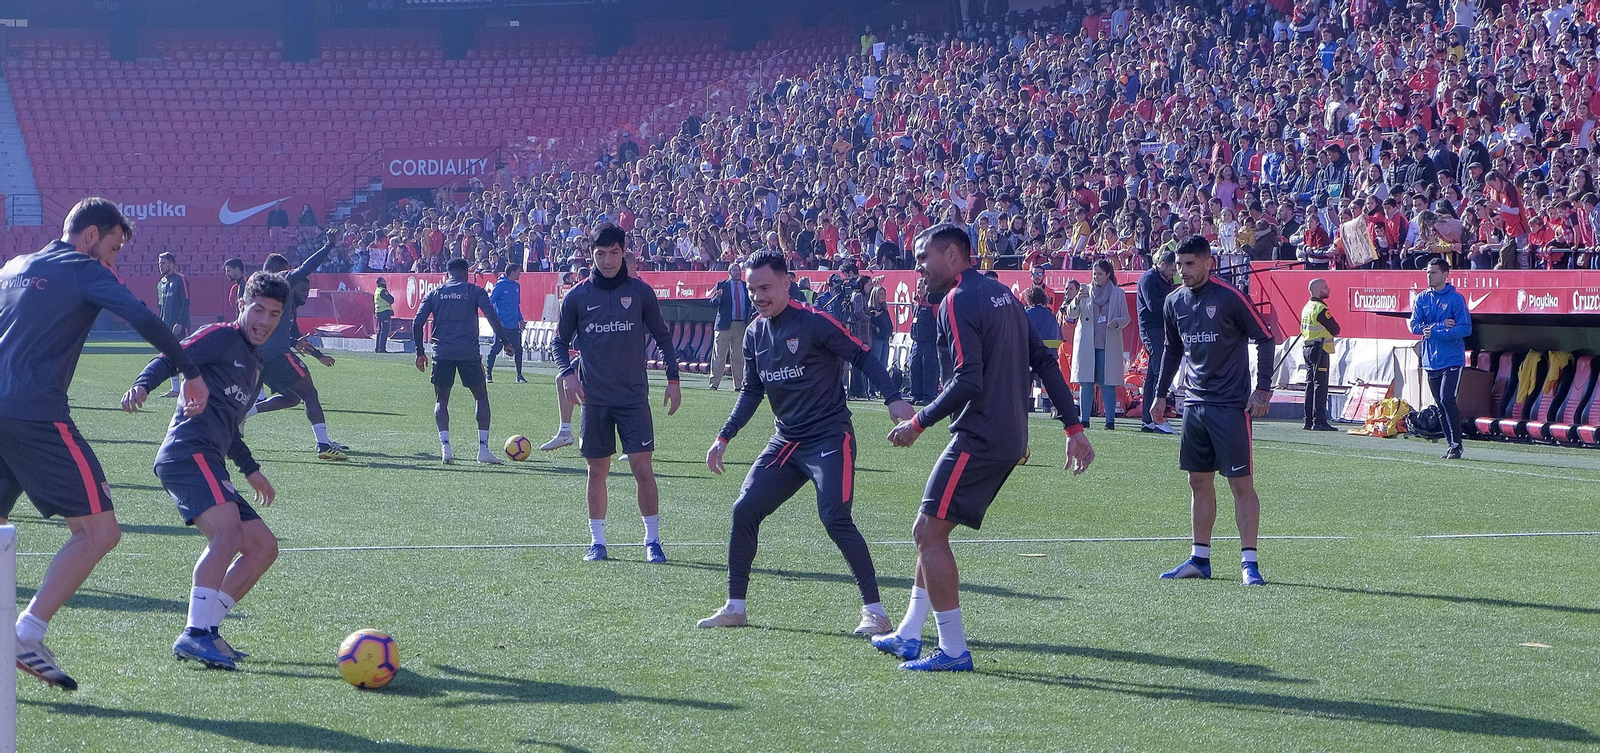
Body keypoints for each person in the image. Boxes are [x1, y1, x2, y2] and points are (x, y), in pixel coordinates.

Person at [0, 197, 209, 690]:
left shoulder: (13, 266)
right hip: (34, 415)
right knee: (100, 531)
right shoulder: (80, 266)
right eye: (113, 247)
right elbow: (142, 317)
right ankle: (26, 633)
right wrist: (190, 372)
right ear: (91, 235)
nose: (113, 260)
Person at [877, 224, 1094, 672]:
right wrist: (1073, 427)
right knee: (932, 531)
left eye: (923, 257)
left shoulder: (958, 298)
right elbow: (1044, 362)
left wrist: (918, 422)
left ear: (953, 254)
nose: (918, 267)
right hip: (1007, 435)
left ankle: (954, 650)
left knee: (927, 533)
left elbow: (968, 378)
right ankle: (909, 634)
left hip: (981, 435)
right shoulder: (1004, 295)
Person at [696, 251, 917, 633]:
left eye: (765, 287)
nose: (759, 296)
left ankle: (877, 614)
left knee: (834, 517)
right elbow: (752, 392)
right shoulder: (753, 333)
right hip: (787, 440)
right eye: (752, 290)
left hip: (829, 437)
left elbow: (864, 356)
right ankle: (735, 608)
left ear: (786, 282)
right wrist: (724, 436)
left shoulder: (815, 323)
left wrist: (893, 397)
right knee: (744, 508)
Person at [121, 271, 290, 671]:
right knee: (227, 533)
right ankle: (194, 634)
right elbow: (171, 355)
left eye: (274, 314)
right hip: (185, 453)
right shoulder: (220, 336)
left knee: (264, 547)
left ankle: (208, 630)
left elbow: (230, 428)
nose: (264, 321)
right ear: (242, 306)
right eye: (258, 310)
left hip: (210, 458)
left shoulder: (255, 365)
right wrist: (144, 386)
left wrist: (251, 470)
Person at [1150, 235, 1275, 587]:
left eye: (1190, 264)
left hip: (1230, 405)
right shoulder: (1173, 301)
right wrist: (1161, 395)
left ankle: (1249, 563)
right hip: (1194, 404)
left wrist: (1263, 388)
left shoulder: (1230, 297)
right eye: (1179, 264)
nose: (1183, 271)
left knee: (1240, 483)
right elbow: (1172, 350)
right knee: (1197, 480)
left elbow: (1265, 337)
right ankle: (1199, 558)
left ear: (1209, 263)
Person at [554, 225, 682, 563]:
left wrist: (673, 379)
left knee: (642, 467)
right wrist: (567, 374)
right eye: (600, 254)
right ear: (591, 254)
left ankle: (652, 540)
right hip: (595, 399)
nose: (608, 260)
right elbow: (558, 342)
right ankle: (597, 542)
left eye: (613, 253)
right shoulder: (578, 296)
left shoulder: (640, 292)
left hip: (633, 398)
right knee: (597, 471)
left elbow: (663, 337)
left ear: (624, 251)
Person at [254, 229, 345, 460]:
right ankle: (324, 446)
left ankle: (245, 413)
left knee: (292, 397)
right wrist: (328, 245)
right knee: (310, 394)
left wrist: (296, 342)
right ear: (277, 270)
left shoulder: (255, 291)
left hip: (258, 356)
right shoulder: (280, 281)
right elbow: (305, 268)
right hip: (277, 355)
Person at [414, 258, 516, 465]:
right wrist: (505, 341)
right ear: (465, 272)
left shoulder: (435, 293)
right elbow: (491, 315)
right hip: (468, 353)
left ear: (448, 273)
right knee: (480, 396)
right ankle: (483, 449)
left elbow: (417, 323)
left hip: (442, 353)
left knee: (441, 400)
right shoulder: (474, 291)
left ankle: (446, 448)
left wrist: (419, 352)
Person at [1408, 259, 1471, 459]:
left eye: (1433, 273)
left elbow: (1465, 328)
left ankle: (1457, 444)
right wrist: (1440, 326)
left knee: (1447, 399)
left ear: (1445, 275)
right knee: (1440, 403)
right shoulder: (1421, 298)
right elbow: (1415, 326)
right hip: (1430, 360)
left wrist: (1435, 331)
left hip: (1451, 359)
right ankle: (1451, 444)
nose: (1429, 276)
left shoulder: (1455, 299)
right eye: (1428, 272)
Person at [1066, 260, 1131, 430]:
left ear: (1108, 274)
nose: (1096, 277)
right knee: (1085, 382)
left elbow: (1126, 318)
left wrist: (1117, 323)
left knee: (1107, 382)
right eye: (1094, 273)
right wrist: (1076, 300)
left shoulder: (1118, 294)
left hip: (1107, 343)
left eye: (1100, 274)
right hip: (1087, 344)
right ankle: (1084, 419)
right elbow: (1071, 314)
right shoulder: (1085, 290)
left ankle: (1110, 421)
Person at [1136, 251, 1178, 434]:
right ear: (1161, 263)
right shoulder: (1148, 279)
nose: (1173, 273)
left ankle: (1150, 419)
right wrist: (1173, 293)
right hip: (1152, 329)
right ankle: (1154, 419)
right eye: (1171, 269)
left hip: (1161, 329)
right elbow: (1152, 305)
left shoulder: (1162, 279)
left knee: (1154, 374)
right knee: (1157, 372)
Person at [1300, 278, 1340, 431]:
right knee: (1320, 386)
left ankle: (1308, 420)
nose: (1328, 289)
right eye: (1325, 287)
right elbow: (1336, 329)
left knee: (1310, 384)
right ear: (1317, 291)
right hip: (1319, 350)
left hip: (1308, 348)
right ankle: (1320, 421)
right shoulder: (1320, 308)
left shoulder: (1307, 307)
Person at [707, 264, 751, 391]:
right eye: (736, 270)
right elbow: (712, 304)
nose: (738, 272)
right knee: (719, 355)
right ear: (729, 272)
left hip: (741, 325)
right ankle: (714, 384)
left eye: (739, 270)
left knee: (738, 356)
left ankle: (739, 385)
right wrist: (718, 296)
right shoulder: (722, 285)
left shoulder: (745, 286)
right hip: (724, 326)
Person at [156, 252, 191, 398]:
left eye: (163, 263)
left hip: (180, 326)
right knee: (170, 356)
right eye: (159, 263)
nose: (160, 266)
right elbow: (161, 305)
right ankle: (175, 389)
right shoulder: (161, 283)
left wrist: (180, 322)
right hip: (166, 326)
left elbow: (186, 301)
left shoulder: (180, 280)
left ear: (171, 264)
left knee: (186, 356)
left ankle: (189, 388)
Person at [486, 263, 526, 383]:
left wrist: (520, 319)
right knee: (496, 349)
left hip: (514, 324)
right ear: (512, 272)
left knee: (518, 349)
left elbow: (516, 305)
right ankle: (488, 375)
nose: (520, 273)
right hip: (502, 325)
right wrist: (495, 319)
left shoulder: (516, 286)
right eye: (518, 271)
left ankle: (519, 375)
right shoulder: (500, 285)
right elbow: (490, 301)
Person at [909, 278, 939, 404]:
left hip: (929, 342)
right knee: (914, 367)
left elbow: (939, 320)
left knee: (929, 369)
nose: (919, 290)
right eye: (918, 288)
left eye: (922, 288)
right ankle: (916, 394)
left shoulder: (933, 302)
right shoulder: (917, 302)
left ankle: (928, 397)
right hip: (917, 341)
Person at [373, 277, 395, 353]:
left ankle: (377, 348)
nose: (385, 282)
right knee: (384, 331)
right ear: (381, 282)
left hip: (379, 312)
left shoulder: (377, 290)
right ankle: (382, 348)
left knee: (380, 330)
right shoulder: (383, 291)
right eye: (384, 280)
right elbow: (391, 299)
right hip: (384, 312)